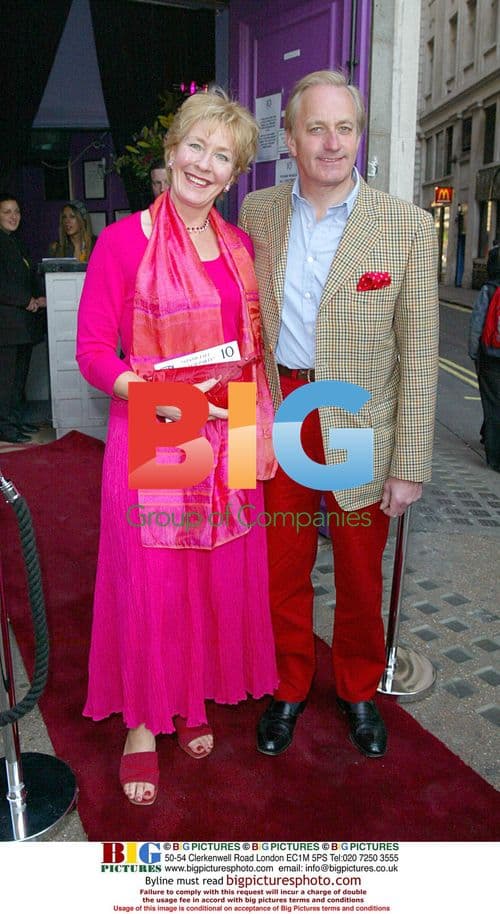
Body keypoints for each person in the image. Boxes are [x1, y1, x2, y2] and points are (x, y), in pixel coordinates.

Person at [76, 89, 277, 806]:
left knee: (209, 576)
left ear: (233, 176)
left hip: (230, 429)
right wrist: (157, 397)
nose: (205, 163)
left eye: (222, 156)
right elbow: (94, 351)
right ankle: (140, 722)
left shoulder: (240, 248)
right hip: (159, 422)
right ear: (172, 150)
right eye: (197, 146)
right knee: (153, 579)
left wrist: (253, 440)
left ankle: (189, 700)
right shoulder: (123, 241)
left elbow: (251, 354)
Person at [239, 70, 439, 759]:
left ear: (360, 137)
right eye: (316, 128)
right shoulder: (257, 214)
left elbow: (419, 354)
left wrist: (409, 464)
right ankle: (289, 685)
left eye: (344, 128)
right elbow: (245, 328)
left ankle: (358, 686)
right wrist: (239, 433)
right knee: (279, 564)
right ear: (289, 139)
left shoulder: (405, 226)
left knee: (359, 568)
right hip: (281, 409)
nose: (331, 143)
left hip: (358, 420)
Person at [0, 193, 46, 443]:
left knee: (18, 380)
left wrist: (38, 297)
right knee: (6, 381)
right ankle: (6, 427)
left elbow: (26, 279)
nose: (13, 216)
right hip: (7, 326)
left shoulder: (16, 242)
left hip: (22, 325)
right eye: (7, 211)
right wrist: (24, 300)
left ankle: (15, 422)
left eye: (16, 211)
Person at [469, 242, 500, 471]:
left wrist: (473, 352)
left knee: (492, 405)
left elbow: (477, 324)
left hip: (490, 356)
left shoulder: (489, 289)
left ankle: (494, 456)